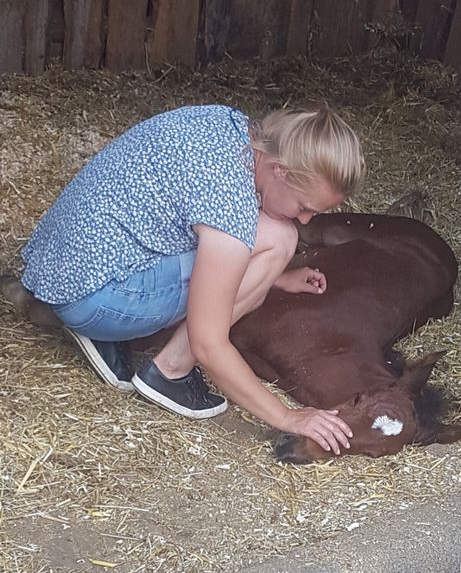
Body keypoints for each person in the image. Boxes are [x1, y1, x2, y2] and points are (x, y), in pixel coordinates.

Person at [22, 105, 365, 455]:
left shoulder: (227, 124)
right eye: (305, 206)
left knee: (275, 237)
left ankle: (102, 329)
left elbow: (174, 218)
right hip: (94, 296)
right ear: (279, 170)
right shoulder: (230, 206)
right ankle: (169, 372)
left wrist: (274, 277)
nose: (306, 220)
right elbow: (209, 343)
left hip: (58, 266)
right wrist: (288, 417)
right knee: (281, 238)